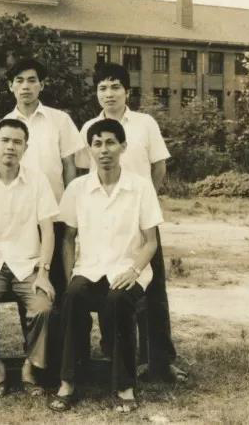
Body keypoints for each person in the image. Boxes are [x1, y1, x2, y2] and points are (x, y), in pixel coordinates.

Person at [76, 62, 186, 382]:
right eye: (102, 88)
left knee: (153, 291)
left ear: (127, 91)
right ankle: (115, 352)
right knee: (108, 283)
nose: (109, 94)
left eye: (115, 87)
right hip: (105, 222)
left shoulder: (144, 123)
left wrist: (143, 204)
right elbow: (86, 174)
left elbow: (159, 167)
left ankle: (160, 361)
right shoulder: (89, 128)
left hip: (141, 219)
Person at [50, 118, 163, 413]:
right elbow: (68, 238)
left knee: (118, 299)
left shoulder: (140, 187)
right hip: (89, 269)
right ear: (89, 149)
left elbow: (151, 242)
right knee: (73, 296)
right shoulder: (77, 188)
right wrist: (69, 276)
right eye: (97, 144)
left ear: (123, 146)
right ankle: (68, 381)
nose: (104, 150)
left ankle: (124, 385)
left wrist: (134, 271)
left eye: (111, 142)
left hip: (129, 268)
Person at [0, 118, 59, 396]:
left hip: (27, 265)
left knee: (43, 307)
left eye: (17, 142)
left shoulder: (38, 180)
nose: (10, 147)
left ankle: (31, 365)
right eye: (5, 140)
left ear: (26, 147)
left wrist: (44, 273)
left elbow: (48, 231)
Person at [0, 58, 85, 303]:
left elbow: (70, 166)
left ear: (42, 85)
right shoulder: (1, 126)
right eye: (19, 81)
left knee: (55, 280)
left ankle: (55, 329)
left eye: (32, 80)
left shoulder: (59, 120)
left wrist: (69, 209)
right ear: (10, 86)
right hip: (19, 218)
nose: (25, 86)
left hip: (54, 214)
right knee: (25, 278)